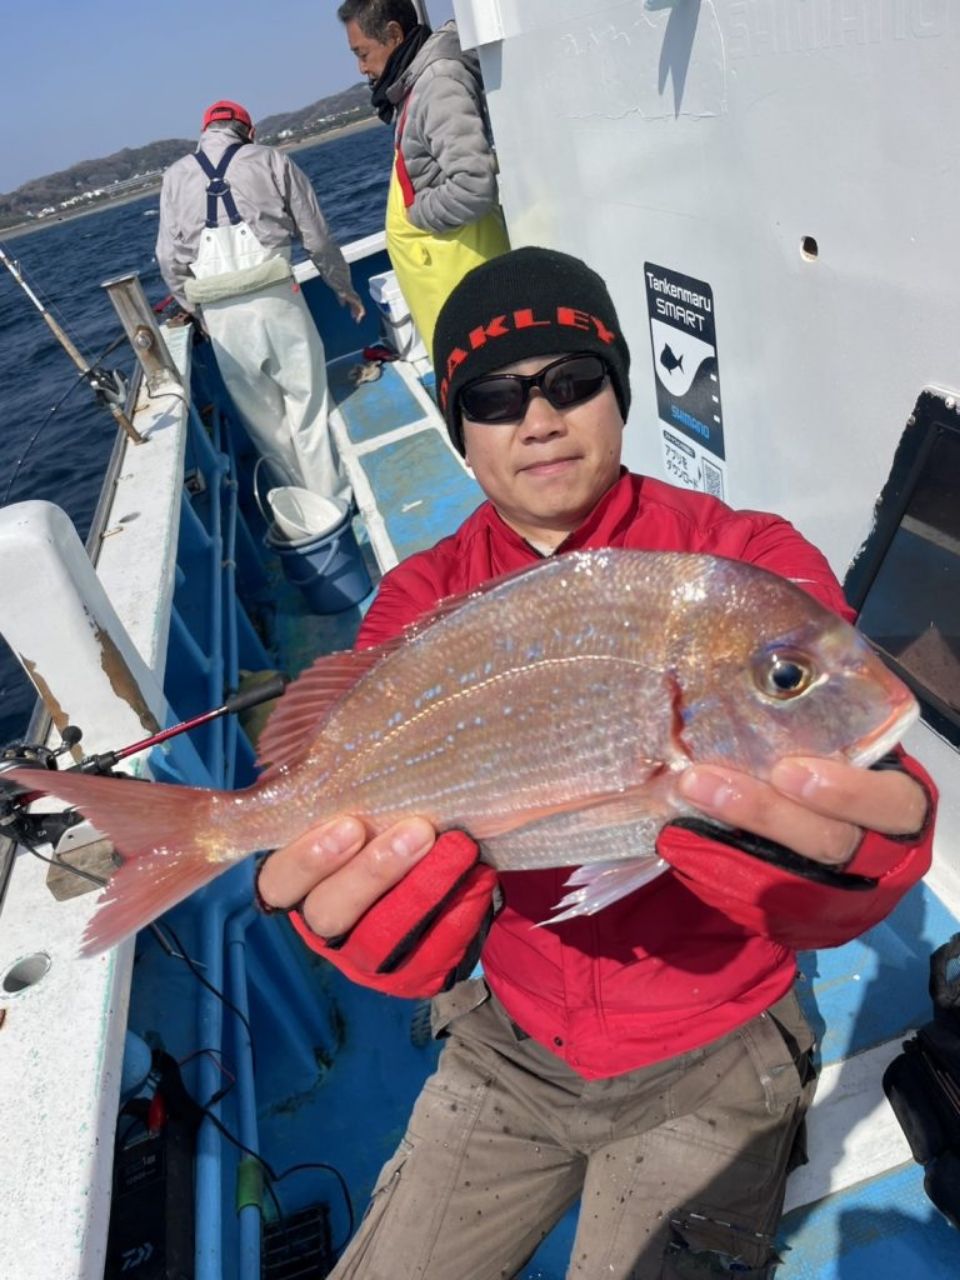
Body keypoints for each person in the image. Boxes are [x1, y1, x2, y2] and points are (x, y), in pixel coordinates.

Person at [257, 246, 936, 1278]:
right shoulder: (419, 601)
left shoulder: (739, 561)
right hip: (505, 1037)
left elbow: (862, 748)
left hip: (719, 1045)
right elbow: (344, 760)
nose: (539, 417)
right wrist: (352, 917)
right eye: (495, 396)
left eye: (573, 381)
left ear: (620, 394)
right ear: (461, 430)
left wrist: (874, 857)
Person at [156, 100, 364, 501]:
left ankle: (302, 513)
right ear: (248, 132)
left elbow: (168, 260)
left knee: (265, 422)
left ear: (205, 133)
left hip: (221, 317)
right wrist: (343, 288)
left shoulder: (175, 177)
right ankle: (335, 501)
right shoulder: (271, 160)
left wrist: (198, 312)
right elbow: (317, 239)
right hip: (278, 302)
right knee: (307, 404)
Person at [337, 0, 509, 352]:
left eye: (363, 53)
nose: (360, 67)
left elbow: (473, 185)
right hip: (455, 295)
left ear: (394, 34)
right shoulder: (414, 85)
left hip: (471, 290)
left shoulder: (437, 84)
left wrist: (416, 216)